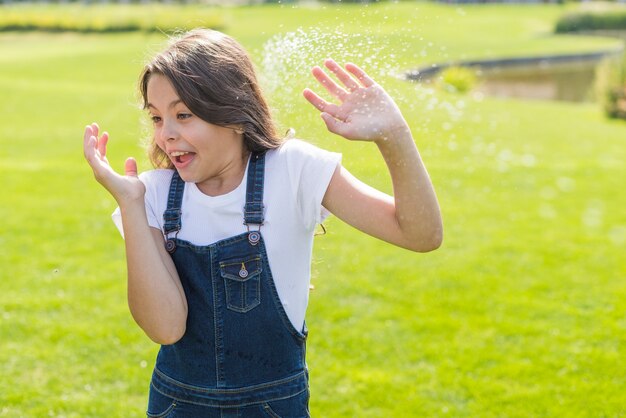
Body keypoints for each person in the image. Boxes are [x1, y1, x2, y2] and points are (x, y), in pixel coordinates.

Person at [83, 28, 442, 418]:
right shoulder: (150, 193)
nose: (166, 135)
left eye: (183, 114)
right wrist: (131, 204)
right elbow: (165, 328)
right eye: (156, 117)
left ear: (233, 111)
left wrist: (393, 136)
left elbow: (420, 234)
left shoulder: (293, 170)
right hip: (176, 406)